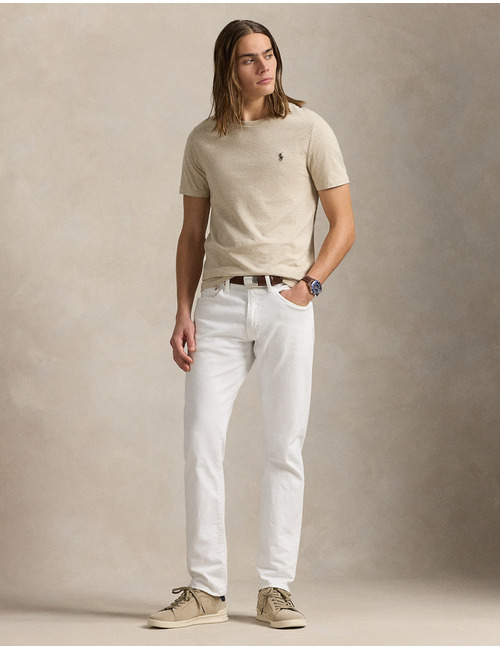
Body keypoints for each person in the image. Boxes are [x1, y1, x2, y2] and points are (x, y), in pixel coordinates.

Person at [148, 18, 355, 630]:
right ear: (227, 69)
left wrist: (308, 287)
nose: (265, 67)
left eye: (269, 55)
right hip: (218, 303)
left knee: (284, 445)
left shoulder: (310, 128)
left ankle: (275, 589)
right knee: (200, 440)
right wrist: (183, 311)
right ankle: (206, 591)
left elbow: (344, 224)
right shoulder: (203, 141)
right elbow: (191, 235)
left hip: (286, 302)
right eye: (248, 59)